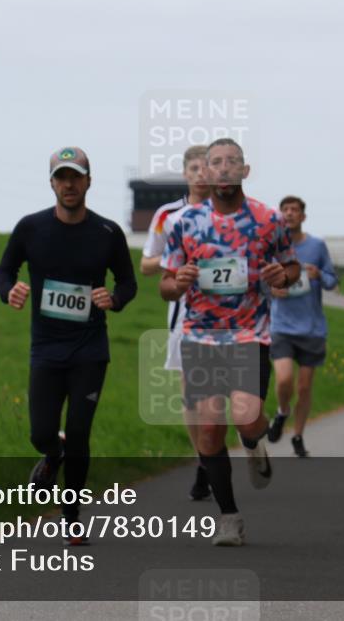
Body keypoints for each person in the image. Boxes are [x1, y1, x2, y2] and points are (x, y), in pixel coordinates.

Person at [0, 146, 137, 545]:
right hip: (46, 348)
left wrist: (115, 298)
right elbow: (4, 269)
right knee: (41, 433)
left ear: (89, 181)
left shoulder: (107, 232)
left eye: (76, 176)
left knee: (78, 432)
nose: (69, 184)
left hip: (90, 349)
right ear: (52, 183)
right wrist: (10, 291)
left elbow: (128, 281)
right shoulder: (31, 228)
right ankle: (50, 456)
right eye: (62, 177)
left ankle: (71, 515)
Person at [160, 137, 299, 546]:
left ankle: (254, 442)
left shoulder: (268, 219)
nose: (222, 168)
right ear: (205, 171)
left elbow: (291, 266)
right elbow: (166, 285)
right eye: (215, 162)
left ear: (245, 170)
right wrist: (177, 282)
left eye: (231, 162)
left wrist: (283, 276)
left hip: (248, 334)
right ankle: (229, 517)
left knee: (246, 416)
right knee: (208, 431)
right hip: (200, 336)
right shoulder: (184, 223)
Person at [139, 145, 213, 500]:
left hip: (228, 313)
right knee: (191, 396)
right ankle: (205, 464)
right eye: (194, 168)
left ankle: (234, 445)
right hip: (184, 314)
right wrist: (175, 263)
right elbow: (146, 264)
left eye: (206, 168)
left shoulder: (230, 212)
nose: (201, 174)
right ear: (185, 173)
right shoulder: (167, 215)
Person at [266, 195, 338, 457]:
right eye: (285, 210)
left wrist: (320, 275)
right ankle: (282, 412)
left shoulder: (317, 246)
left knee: (305, 387)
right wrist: (273, 288)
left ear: (303, 216)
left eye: (294, 210)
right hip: (282, 325)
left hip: (312, 327)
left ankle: (298, 435)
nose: (289, 213)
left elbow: (332, 281)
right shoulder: (272, 246)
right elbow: (258, 281)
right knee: (284, 379)